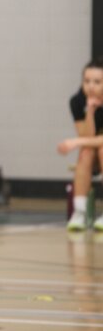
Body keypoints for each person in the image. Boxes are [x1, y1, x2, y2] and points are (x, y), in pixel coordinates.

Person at [58, 57, 103, 231]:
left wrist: (75, 142)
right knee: (85, 152)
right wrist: (90, 112)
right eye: (87, 81)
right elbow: (86, 137)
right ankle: (80, 212)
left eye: (97, 82)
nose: (91, 86)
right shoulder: (77, 101)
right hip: (94, 153)